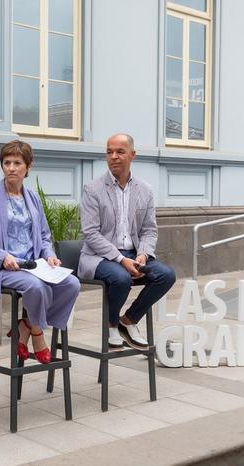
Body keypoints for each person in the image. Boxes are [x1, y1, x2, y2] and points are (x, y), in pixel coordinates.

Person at [0, 140, 80, 364]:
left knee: (72, 285)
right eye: (6, 162)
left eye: (17, 163)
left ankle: (25, 326)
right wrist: (3, 257)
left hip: (35, 265)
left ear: (28, 167)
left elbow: (44, 236)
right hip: (4, 268)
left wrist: (49, 255)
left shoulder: (33, 198)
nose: (11, 167)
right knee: (36, 287)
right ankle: (37, 332)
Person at [78, 133, 176, 351]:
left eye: (120, 152)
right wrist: (122, 259)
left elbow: (149, 230)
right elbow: (91, 234)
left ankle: (128, 321)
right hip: (99, 257)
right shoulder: (92, 189)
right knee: (121, 278)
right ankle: (111, 325)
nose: (113, 156)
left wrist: (143, 254)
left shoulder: (145, 190)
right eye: (109, 151)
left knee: (166, 275)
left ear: (133, 155)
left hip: (133, 254)